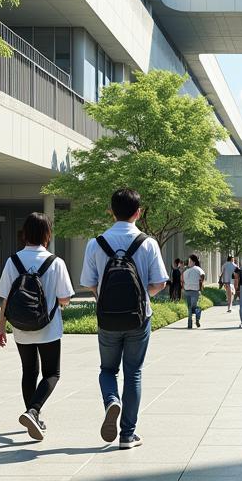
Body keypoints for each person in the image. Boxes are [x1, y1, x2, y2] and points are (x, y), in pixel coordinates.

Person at [80, 187, 168, 449]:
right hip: (139, 318)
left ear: (111, 212)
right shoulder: (148, 243)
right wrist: (143, 295)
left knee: (108, 369)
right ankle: (127, 435)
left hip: (107, 318)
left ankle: (111, 401)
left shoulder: (96, 243)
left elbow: (88, 283)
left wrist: (105, 297)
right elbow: (160, 283)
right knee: (134, 373)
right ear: (138, 212)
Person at [0, 212, 73, 441]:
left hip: (20, 326)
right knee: (52, 373)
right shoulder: (55, 262)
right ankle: (33, 411)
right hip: (48, 327)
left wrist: (1, 327)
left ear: (25, 233)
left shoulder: (13, 261)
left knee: (29, 372)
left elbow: (5, 298)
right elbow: (65, 298)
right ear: (47, 234)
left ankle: (33, 417)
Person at [182, 254, 206, 329]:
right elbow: (202, 275)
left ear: (194, 262)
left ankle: (191, 322)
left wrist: (201, 283)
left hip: (190, 290)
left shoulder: (197, 268)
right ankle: (196, 319)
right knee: (192, 307)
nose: (189, 263)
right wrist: (201, 282)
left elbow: (202, 275)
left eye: (190, 261)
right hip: (192, 290)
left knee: (191, 307)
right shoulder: (187, 270)